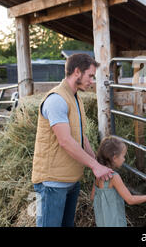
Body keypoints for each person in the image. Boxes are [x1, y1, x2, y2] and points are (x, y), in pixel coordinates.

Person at [31, 53, 114, 227]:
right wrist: (94, 166)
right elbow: (65, 141)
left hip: (70, 180)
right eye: (90, 76)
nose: (92, 81)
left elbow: (81, 138)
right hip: (51, 184)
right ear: (77, 71)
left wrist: (97, 163)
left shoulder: (76, 99)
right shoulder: (56, 100)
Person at [91, 137, 146, 227]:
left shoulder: (98, 176)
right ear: (114, 158)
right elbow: (130, 200)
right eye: (123, 156)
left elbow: (92, 197)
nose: (124, 159)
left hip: (102, 222)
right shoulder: (114, 177)